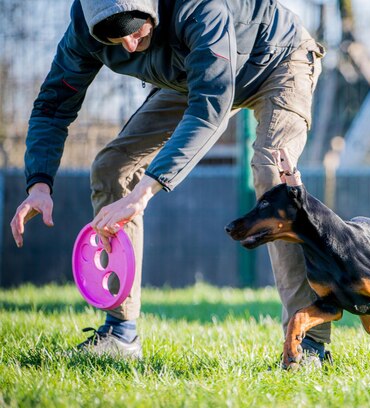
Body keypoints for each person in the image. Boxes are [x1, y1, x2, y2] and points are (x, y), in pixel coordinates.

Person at [9, 0, 330, 364]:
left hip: (276, 59)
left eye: (134, 30)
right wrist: (39, 184)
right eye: (115, 38)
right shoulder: (87, 28)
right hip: (190, 75)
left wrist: (144, 192)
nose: (129, 46)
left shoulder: (198, 9)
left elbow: (211, 107)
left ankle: (309, 343)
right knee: (113, 167)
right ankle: (120, 332)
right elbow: (54, 103)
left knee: (273, 178)